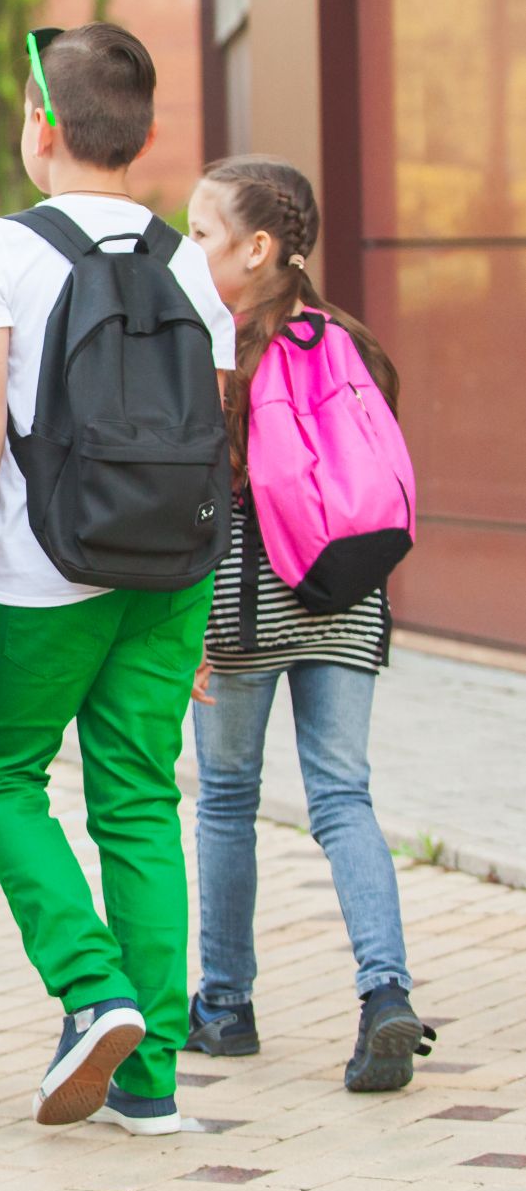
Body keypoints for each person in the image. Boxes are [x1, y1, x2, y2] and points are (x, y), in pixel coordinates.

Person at [0, 25, 236, 1139]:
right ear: (148, 136)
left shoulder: (1, 249)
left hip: (39, 569)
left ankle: (90, 983)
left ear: (39, 126)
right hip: (171, 574)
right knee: (140, 799)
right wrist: (206, 594)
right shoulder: (189, 259)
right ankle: (152, 1075)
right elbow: (214, 437)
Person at [182, 157, 432, 1092]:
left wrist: (186, 629)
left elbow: (196, 501)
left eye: (200, 234)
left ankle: (224, 1005)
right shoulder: (349, 341)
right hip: (344, 600)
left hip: (241, 610)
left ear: (255, 248)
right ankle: (384, 993)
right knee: (342, 799)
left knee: (226, 802)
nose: (187, 249)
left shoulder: (215, 352)